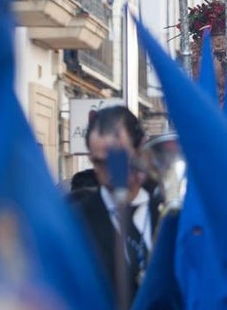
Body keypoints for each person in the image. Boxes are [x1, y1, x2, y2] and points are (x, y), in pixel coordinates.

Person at [70, 105, 160, 307]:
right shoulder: (77, 221)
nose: (110, 171)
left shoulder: (168, 214)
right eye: (99, 162)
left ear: (139, 150)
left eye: (118, 157)